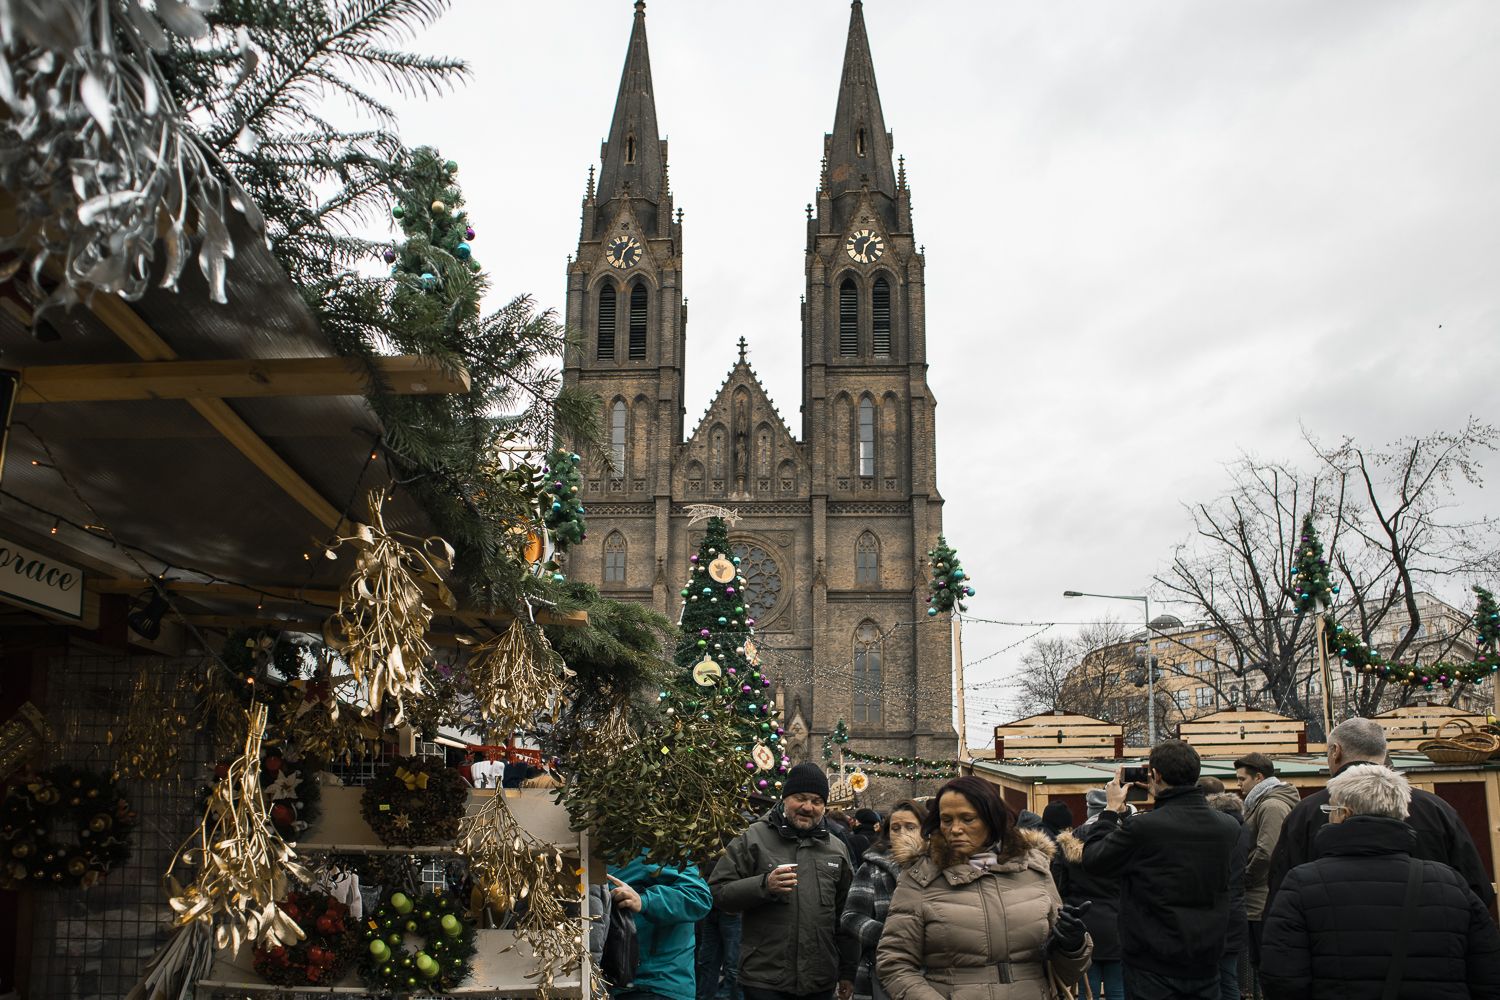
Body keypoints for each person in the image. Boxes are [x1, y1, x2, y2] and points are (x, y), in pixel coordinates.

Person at [1259, 765, 1500, 998]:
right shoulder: (1450, 882)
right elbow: (1488, 972)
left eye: (1330, 809)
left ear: (1344, 813)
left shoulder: (1302, 884)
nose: (1329, 816)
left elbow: (1282, 978)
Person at [877, 776, 1091, 1000]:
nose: (955, 829)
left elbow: (1067, 973)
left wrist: (1072, 945)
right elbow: (895, 963)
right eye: (946, 820)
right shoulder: (920, 876)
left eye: (967, 819)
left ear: (992, 819)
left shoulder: (1034, 868)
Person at [1267, 717, 1494, 912]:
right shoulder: (1436, 809)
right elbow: (1476, 891)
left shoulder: (1307, 813)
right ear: (1384, 754)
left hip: (1333, 952)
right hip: (1428, 951)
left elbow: (1282, 894)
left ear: (1335, 751)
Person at [1082, 739, 1240, 1000]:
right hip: (1206, 956)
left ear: (1155, 775)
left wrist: (1110, 811)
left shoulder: (1144, 829)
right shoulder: (1227, 827)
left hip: (1152, 962)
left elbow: (1094, 860)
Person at [709, 763, 858, 1000]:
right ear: (785, 798)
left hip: (819, 979)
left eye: (817, 801)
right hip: (764, 977)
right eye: (800, 798)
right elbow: (718, 892)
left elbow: (846, 915)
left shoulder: (837, 849)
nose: (808, 807)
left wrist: (848, 971)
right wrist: (764, 885)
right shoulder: (753, 837)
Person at [841, 801, 926, 1000]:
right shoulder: (873, 868)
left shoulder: (940, 867)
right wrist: (891, 935)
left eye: (910, 827)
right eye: (895, 828)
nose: (902, 832)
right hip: (884, 971)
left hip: (935, 973)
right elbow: (851, 917)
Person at [607, 855, 714, 1000]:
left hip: (657, 983)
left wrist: (645, 901)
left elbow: (699, 897)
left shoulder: (659, 848)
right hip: (616, 982)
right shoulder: (605, 848)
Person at [1053, 787, 1126, 1000]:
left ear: (1088, 811)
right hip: (1118, 925)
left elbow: (1059, 887)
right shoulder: (1122, 840)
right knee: (1118, 990)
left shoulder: (1070, 842)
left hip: (1082, 925)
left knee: (1087, 990)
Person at [1234, 752, 1300, 972]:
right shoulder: (1263, 803)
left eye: (1242, 779)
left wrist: (1245, 879)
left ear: (1259, 778)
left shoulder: (1271, 806)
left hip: (1262, 900)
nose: (1238, 784)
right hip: (1261, 898)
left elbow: (1267, 851)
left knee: (1265, 967)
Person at [1206, 792, 1251, 1000]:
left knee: (1217, 978)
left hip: (1215, 911)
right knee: (1229, 976)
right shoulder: (1244, 831)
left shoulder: (1218, 836)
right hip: (1236, 909)